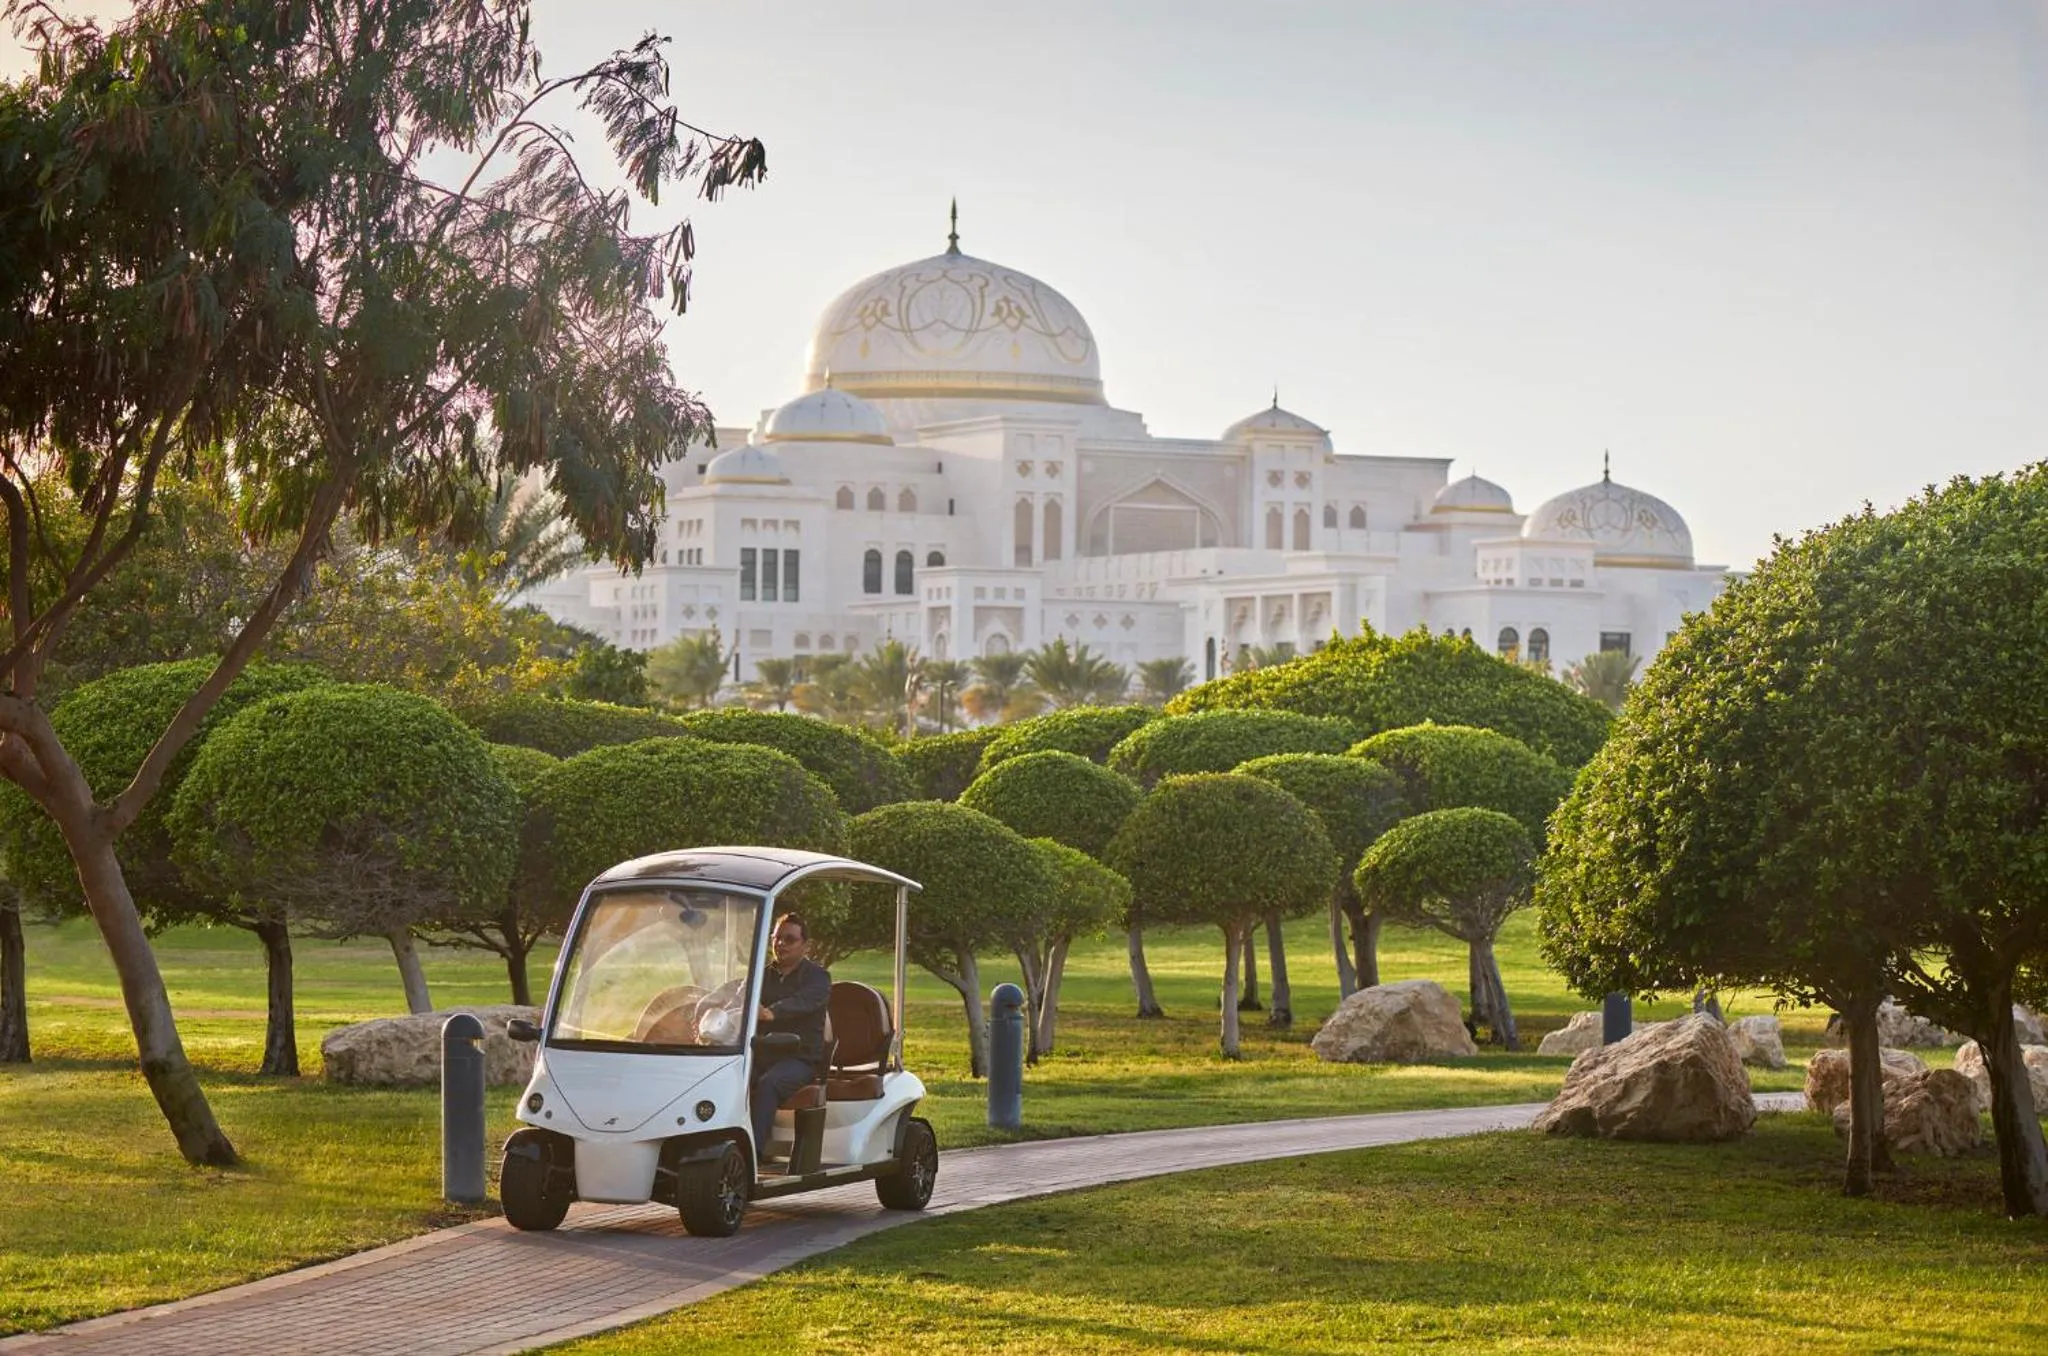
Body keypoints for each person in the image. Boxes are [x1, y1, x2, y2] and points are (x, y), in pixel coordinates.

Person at [750, 912, 831, 1164]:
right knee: (727, 1075)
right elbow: (740, 996)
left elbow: (803, 1002)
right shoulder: (761, 975)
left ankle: (752, 1154)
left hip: (800, 1060)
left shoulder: (818, 977)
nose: (780, 944)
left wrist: (771, 1013)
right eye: (776, 937)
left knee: (769, 1083)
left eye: (789, 939)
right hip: (761, 1054)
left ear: (805, 945)